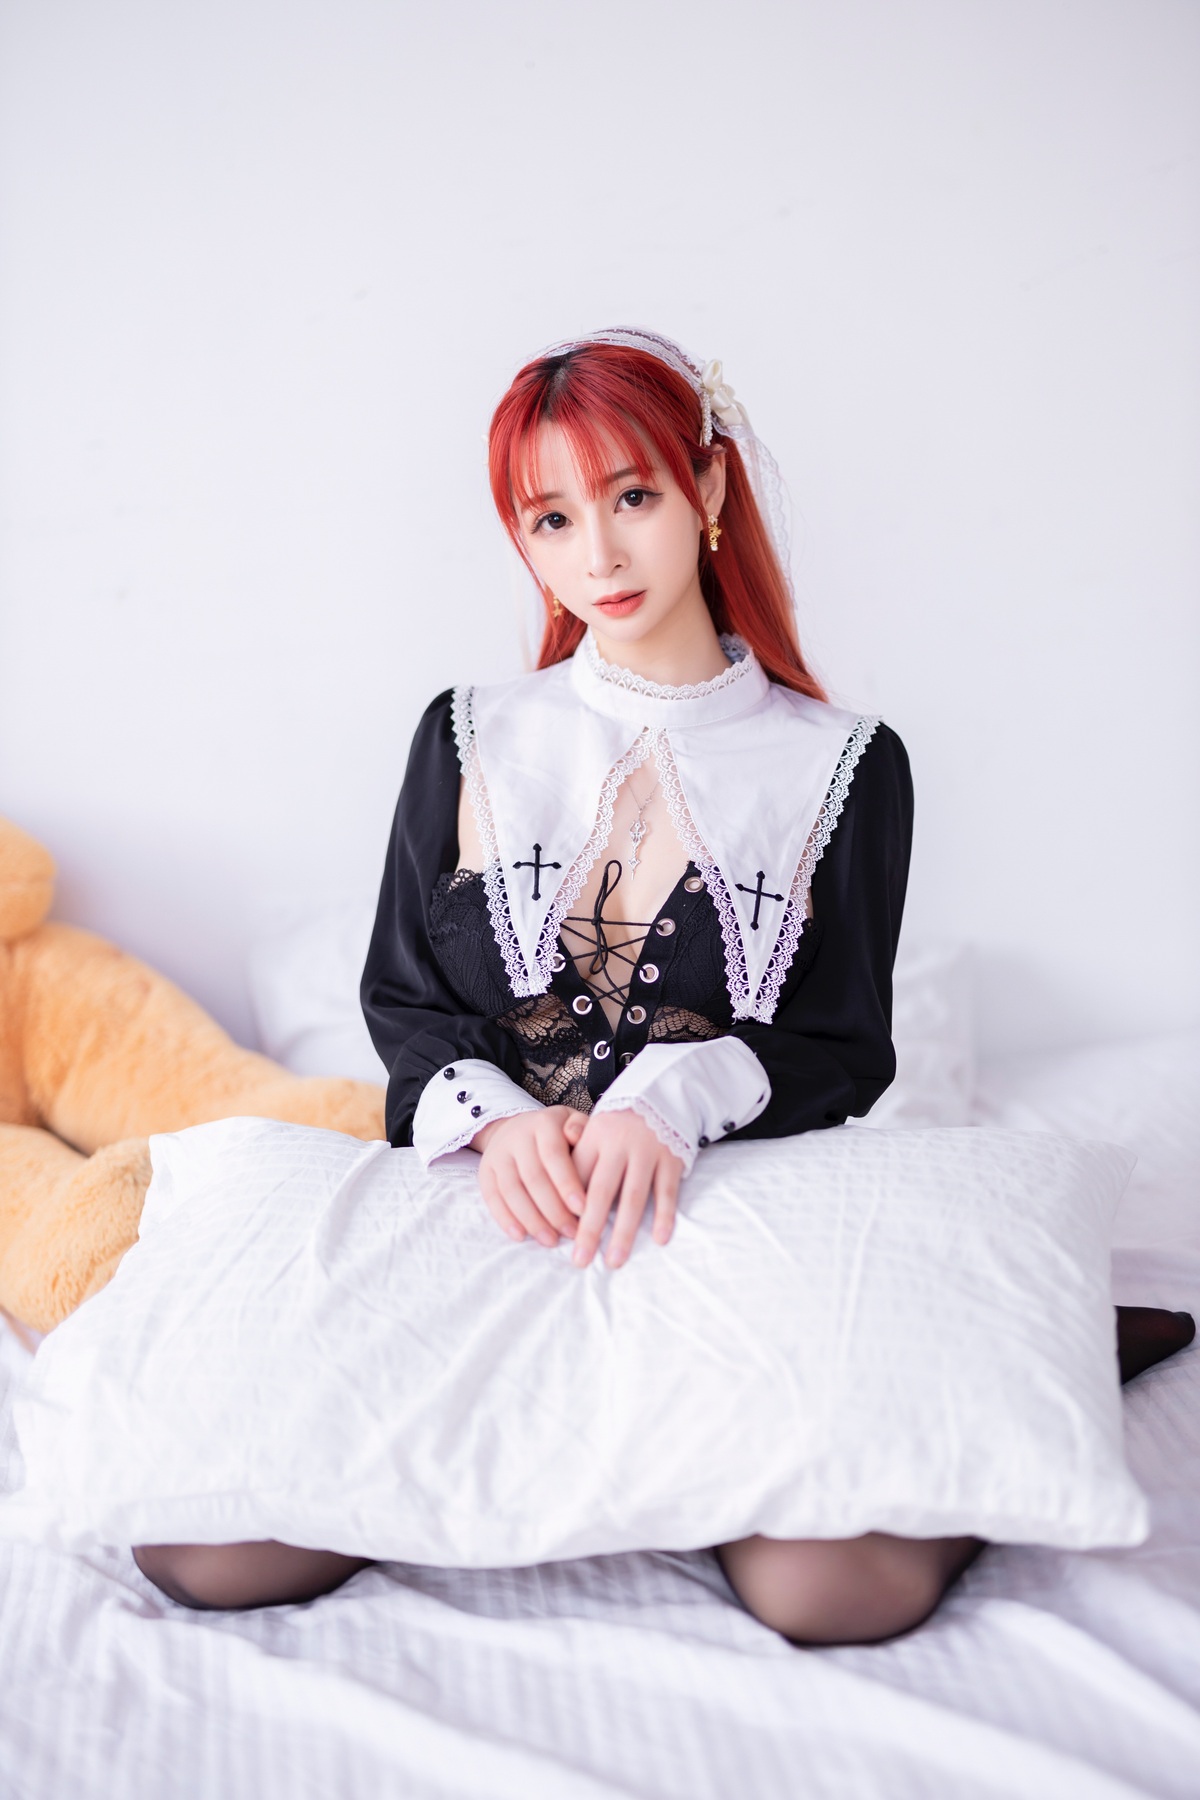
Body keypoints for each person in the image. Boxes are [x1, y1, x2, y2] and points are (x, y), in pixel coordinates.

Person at [134, 329, 1193, 1630]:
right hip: (502, 1205)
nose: (600, 555)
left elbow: (845, 1044)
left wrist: (673, 1100)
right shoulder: (470, 736)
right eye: (552, 519)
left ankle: (1042, 1337)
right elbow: (404, 1000)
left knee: (833, 1593)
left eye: (631, 495)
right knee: (205, 1553)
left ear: (709, 488)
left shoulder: (845, 764)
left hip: (721, 1211)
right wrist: (498, 1119)